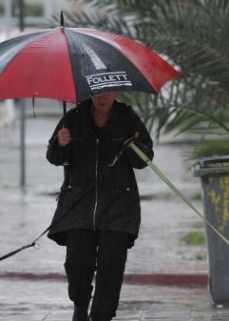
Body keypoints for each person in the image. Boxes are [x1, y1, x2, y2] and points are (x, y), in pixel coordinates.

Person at [45, 92, 154, 321]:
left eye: (106, 92)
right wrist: (60, 143)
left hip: (118, 205)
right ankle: (80, 304)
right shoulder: (73, 118)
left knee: (111, 267)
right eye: (96, 92)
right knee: (76, 263)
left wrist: (133, 147)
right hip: (78, 203)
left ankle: (101, 316)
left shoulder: (128, 118)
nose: (101, 97)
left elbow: (145, 159)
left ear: (115, 92)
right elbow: (54, 157)